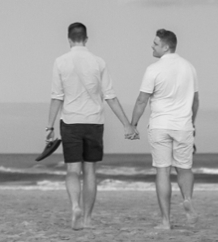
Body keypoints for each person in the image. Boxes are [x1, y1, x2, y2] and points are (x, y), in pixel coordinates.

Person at [46, 22, 137, 230]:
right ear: (86, 39)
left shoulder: (60, 62)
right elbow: (110, 96)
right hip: (94, 122)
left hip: (70, 121)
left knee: (72, 169)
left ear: (69, 39)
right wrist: (127, 125)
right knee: (90, 171)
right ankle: (87, 218)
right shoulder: (98, 62)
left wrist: (49, 127)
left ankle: (75, 206)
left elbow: (56, 97)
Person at [130, 29, 199, 230]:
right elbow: (195, 101)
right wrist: (192, 123)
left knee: (163, 171)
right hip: (183, 125)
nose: (152, 46)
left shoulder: (153, 69)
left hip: (160, 125)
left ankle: (166, 222)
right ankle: (187, 198)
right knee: (184, 168)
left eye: (155, 44)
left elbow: (142, 100)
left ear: (166, 46)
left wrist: (133, 124)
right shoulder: (189, 67)